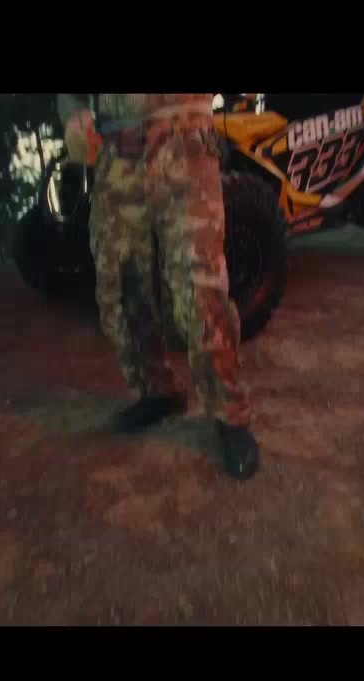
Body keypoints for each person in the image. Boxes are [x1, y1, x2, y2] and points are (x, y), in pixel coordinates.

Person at [56, 93, 260, 480]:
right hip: (116, 154)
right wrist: (75, 115)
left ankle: (229, 412)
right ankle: (157, 391)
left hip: (186, 145)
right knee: (121, 285)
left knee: (200, 290)